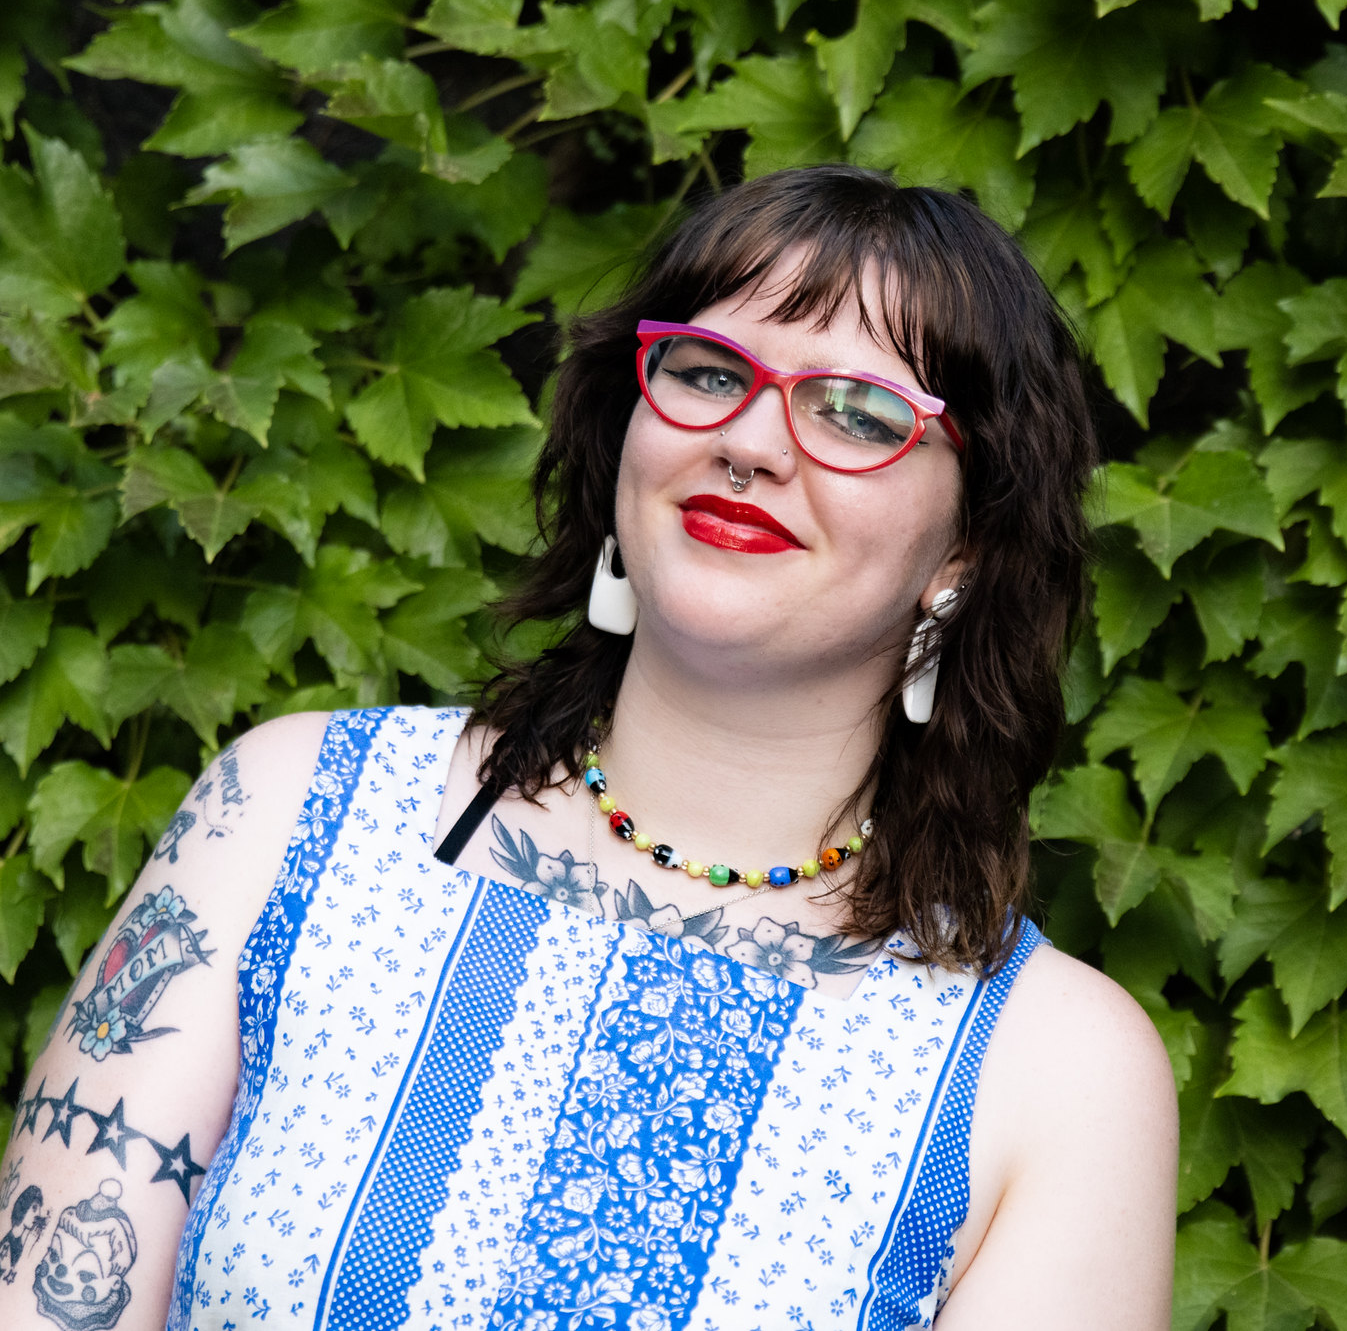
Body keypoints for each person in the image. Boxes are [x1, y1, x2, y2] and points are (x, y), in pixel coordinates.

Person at [0, 165, 1178, 1330]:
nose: (752, 441)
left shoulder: (1058, 1073)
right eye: (709, 371)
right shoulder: (286, 811)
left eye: (855, 411)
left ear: (965, 549)